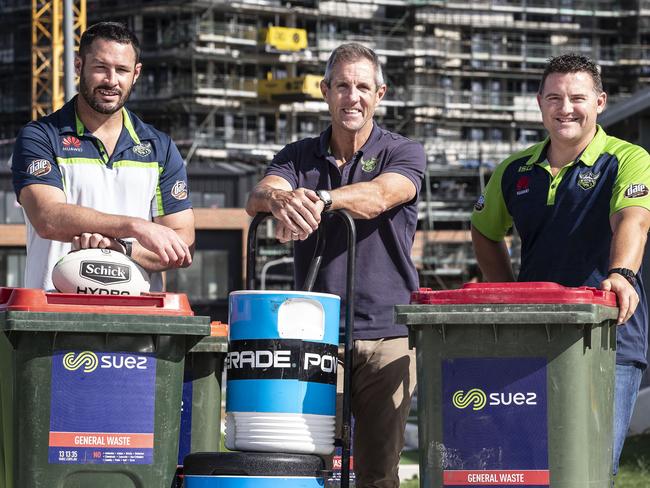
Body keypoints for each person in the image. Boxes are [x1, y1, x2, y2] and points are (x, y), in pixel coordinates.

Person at [246, 43, 426, 488]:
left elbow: (380, 196)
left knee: (378, 471)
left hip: (389, 334)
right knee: (308, 463)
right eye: (342, 86)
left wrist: (320, 200)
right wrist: (281, 199)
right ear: (326, 91)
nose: (353, 97)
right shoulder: (298, 155)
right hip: (317, 336)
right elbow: (258, 196)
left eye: (363, 87)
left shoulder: (403, 151)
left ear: (379, 93)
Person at [471, 53, 650, 479]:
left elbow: (633, 217)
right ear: (539, 102)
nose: (565, 107)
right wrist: (507, 294)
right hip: (533, 336)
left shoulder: (628, 159)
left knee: (588, 467)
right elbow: (484, 230)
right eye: (554, 97)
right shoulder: (515, 169)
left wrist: (622, 273)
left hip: (609, 336)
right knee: (530, 465)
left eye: (577, 97)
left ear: (600, 102)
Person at [11, 22, 193, 291]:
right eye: (100, 67)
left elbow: (181, 243)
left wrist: (119, 246)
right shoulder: (40, 136)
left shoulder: (160, 147)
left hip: (137, 322)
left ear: (136, 74)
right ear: (78, 65)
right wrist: (135, 227)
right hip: (54, 319)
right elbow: (47, 217)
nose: (111, 80)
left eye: (121, 70)